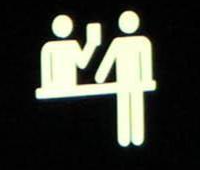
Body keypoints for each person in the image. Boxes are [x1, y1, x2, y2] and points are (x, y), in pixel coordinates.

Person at [92, 11, 156, 147]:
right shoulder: (122, 43)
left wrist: (100, 77)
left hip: (135, 83)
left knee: (135, 106)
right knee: (125, 107)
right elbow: (108, 60)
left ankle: (136, 138)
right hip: (124, 83)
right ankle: (126, 139)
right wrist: (101, 76)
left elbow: (145, 63)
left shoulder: (142, 42)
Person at [36, 14, 102, 98]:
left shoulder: (71, 45)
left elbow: (82, 63)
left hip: (70, 86)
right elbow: (46, 73)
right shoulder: (49, 47)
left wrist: (91, 43)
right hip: (55, 88)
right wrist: (47, 88)